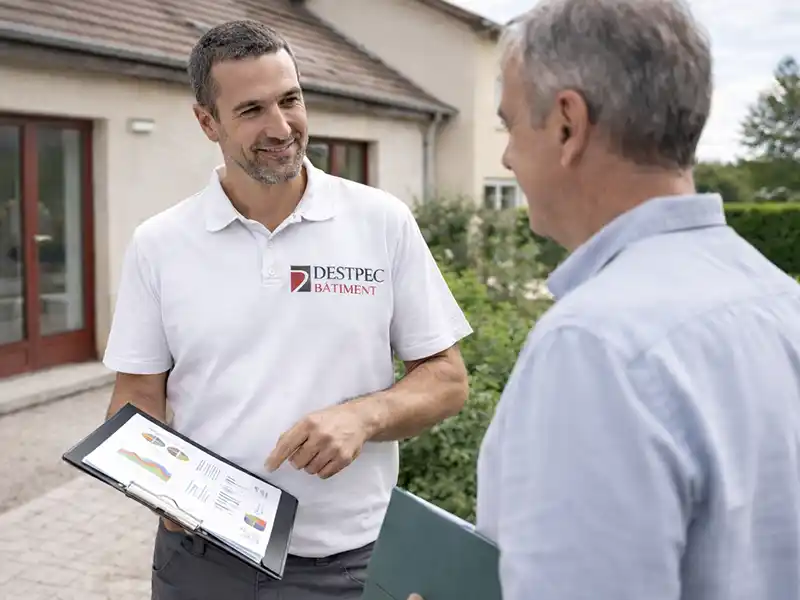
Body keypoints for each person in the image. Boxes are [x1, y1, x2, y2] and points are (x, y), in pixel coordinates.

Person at [408, 0, 800, 599]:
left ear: (567, 124)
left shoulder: (594, 347)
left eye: (510, 124)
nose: (508, 155)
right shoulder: (779, 300)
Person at [101, 19, 472, 600]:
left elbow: (448, 380)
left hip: (350, 562)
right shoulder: (161, 242)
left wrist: (364, 417)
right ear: (208, 122)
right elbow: (136, 397)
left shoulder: (380, 221)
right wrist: (157, 488)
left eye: (290, 100)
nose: (281, 127)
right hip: (204, 561)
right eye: (251, 110)